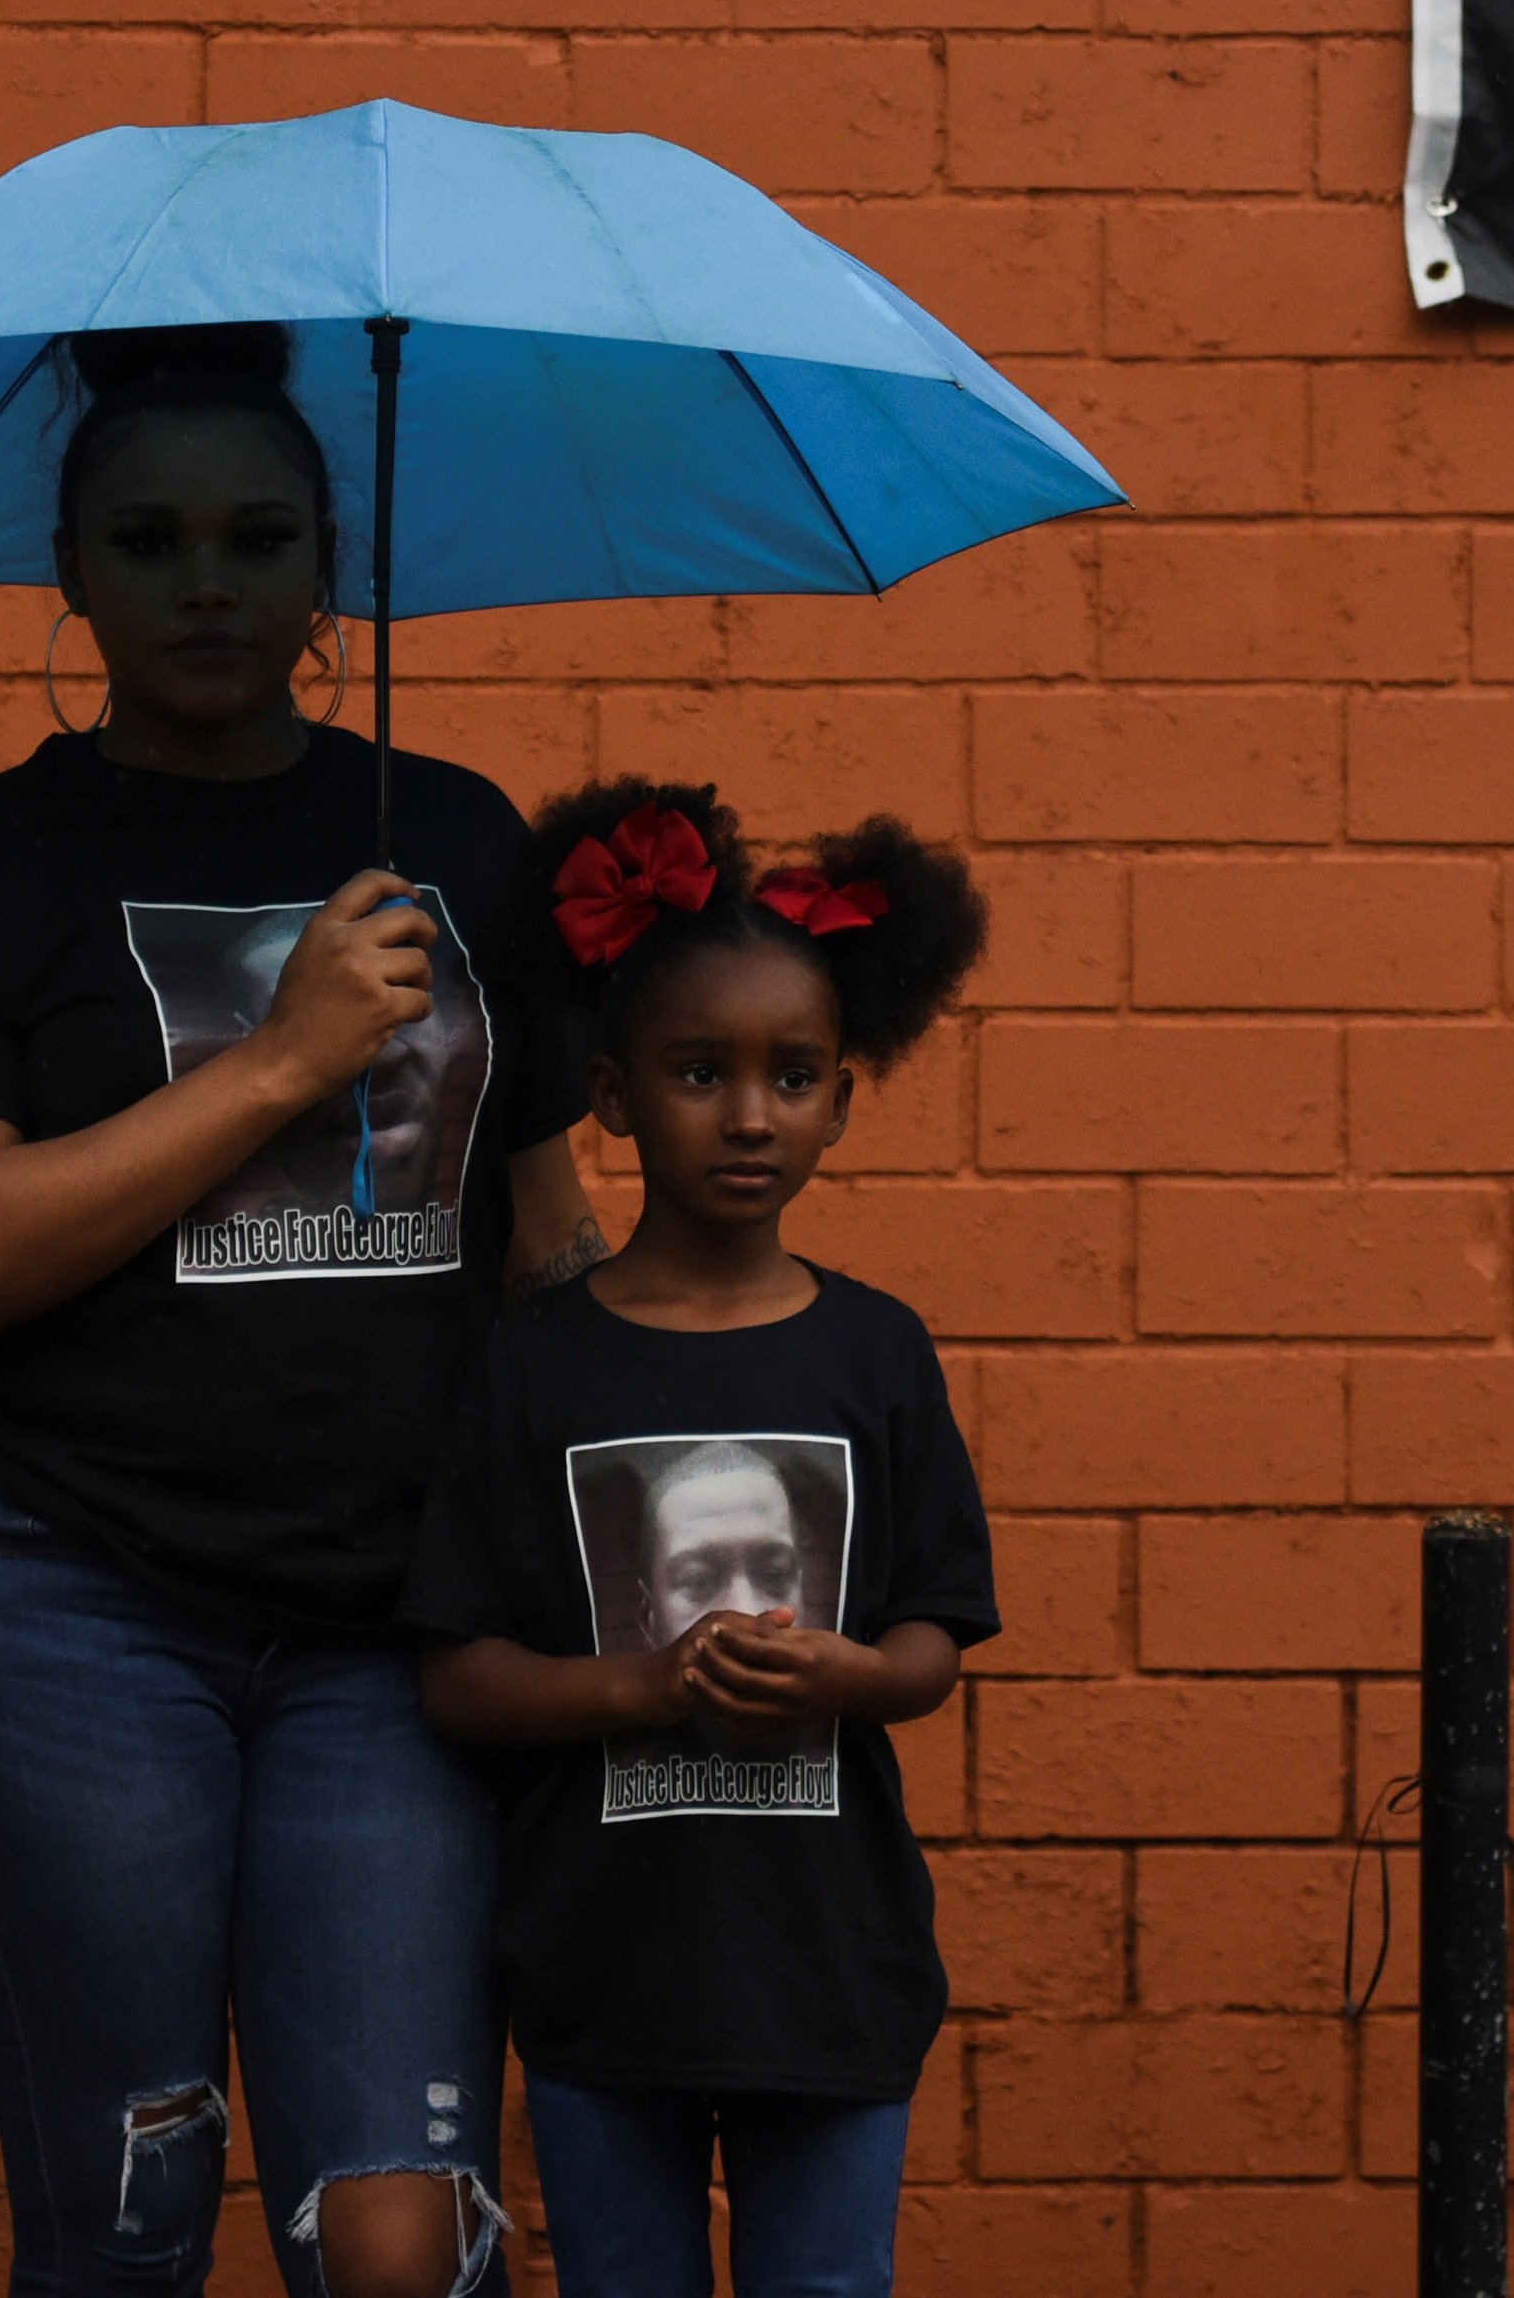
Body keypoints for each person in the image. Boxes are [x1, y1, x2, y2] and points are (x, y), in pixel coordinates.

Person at [0, 323, 607, 2298]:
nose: (207, 581)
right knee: (129, 2218)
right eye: (147, 539)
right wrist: (279, 1059)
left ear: (328, 566)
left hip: (389, 1631)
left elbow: (547, 1242)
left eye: (259, 536)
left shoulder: (456, 837)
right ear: (66, 567)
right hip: (59, 1605)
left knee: (404, 2239)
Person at [398, 780, 998, 2298]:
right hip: (606, 1971)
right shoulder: (532, 1364)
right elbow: (458, 1676)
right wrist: (639, 1691)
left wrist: (841, 1674)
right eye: (697, 1071)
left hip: (833, 1967)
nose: (749, 1113)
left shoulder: (878, 1353)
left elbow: (934, 1641)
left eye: (794, 1075)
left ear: (844, 1097)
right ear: (607, 1093)